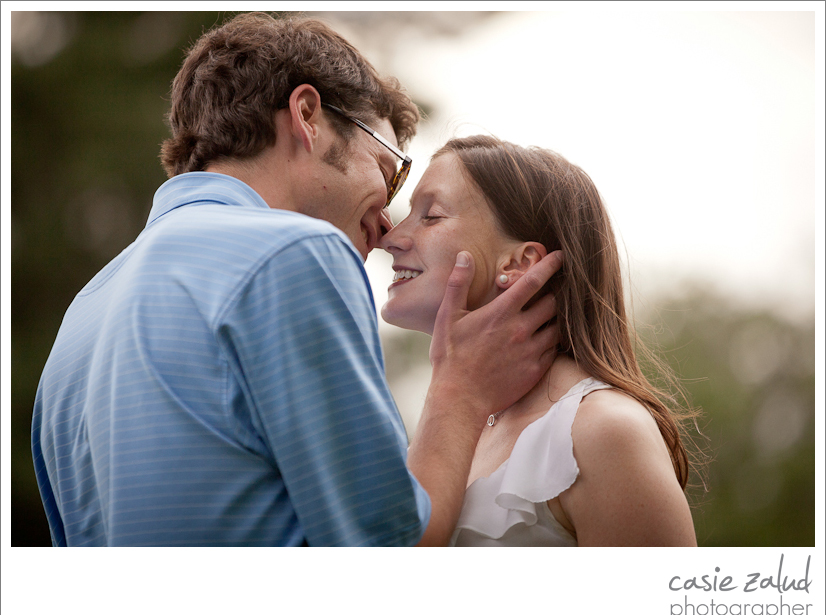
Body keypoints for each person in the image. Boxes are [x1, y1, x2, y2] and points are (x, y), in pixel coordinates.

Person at [30, 14, 562, 546]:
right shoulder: (296, 252)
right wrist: (460, 393)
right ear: (307, 115)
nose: (386, 225)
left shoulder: (80, 320)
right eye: (389, 170)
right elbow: (391, 548)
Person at [380, 135, 699, 546]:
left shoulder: (604, 430)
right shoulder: (454, 428)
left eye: (431, 216)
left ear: (520, 262)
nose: (390, 238)